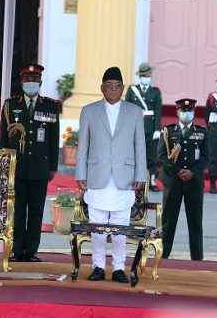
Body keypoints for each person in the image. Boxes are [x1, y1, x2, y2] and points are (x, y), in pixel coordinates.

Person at [76, 66, 147, 284]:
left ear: (123, 88)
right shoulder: (89, 111)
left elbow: (140, 147)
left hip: (124, 176)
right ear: (102, 88)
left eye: (117, 86)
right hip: (97, 174)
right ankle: (98, 266)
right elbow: (83, 146)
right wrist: (80, 173)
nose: (113, 90)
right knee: (97, 224)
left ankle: (118, 268)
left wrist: (140, 175)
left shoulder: (135, 112)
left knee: (120, 224)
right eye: (109, 86)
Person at [0, 64, 59, 263]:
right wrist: (3, 164)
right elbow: (4, 141)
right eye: (27, 80)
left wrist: (52, 167)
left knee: (36, 211)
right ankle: (16, 249)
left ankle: (32, 250)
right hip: (16, 167)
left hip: (40, 167)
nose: (31, 84)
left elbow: (53, 138)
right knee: (16, 211)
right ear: (21, 82)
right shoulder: (10, 106)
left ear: (40, 83)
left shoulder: (49, 106)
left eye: (34, 80)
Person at [157, 98, 209, 260]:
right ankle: (163, 256)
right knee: (168, 221)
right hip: (173, 181)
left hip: (193, 182)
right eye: (183, 111)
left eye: (189, 111)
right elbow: (161, 156)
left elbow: (207, 157)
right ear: (177, 112)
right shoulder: (168, 131)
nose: (186, 114)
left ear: (194, 112)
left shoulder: (201, 132)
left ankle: (197, 258)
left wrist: (192, 172)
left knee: (195, 222)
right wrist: (178, 171)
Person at [124, 62, 162, 192]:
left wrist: (157, 129)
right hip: (135, 128)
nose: (147, 77)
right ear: (140, 77)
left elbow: (158, 111)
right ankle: (133, 179)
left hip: (150, 129)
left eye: (148, 75)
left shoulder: (155, 92)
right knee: (134, 155)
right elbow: (126, 109)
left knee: (151, 155)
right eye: (144, 75)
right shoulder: (132, 90)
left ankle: (151, 180)